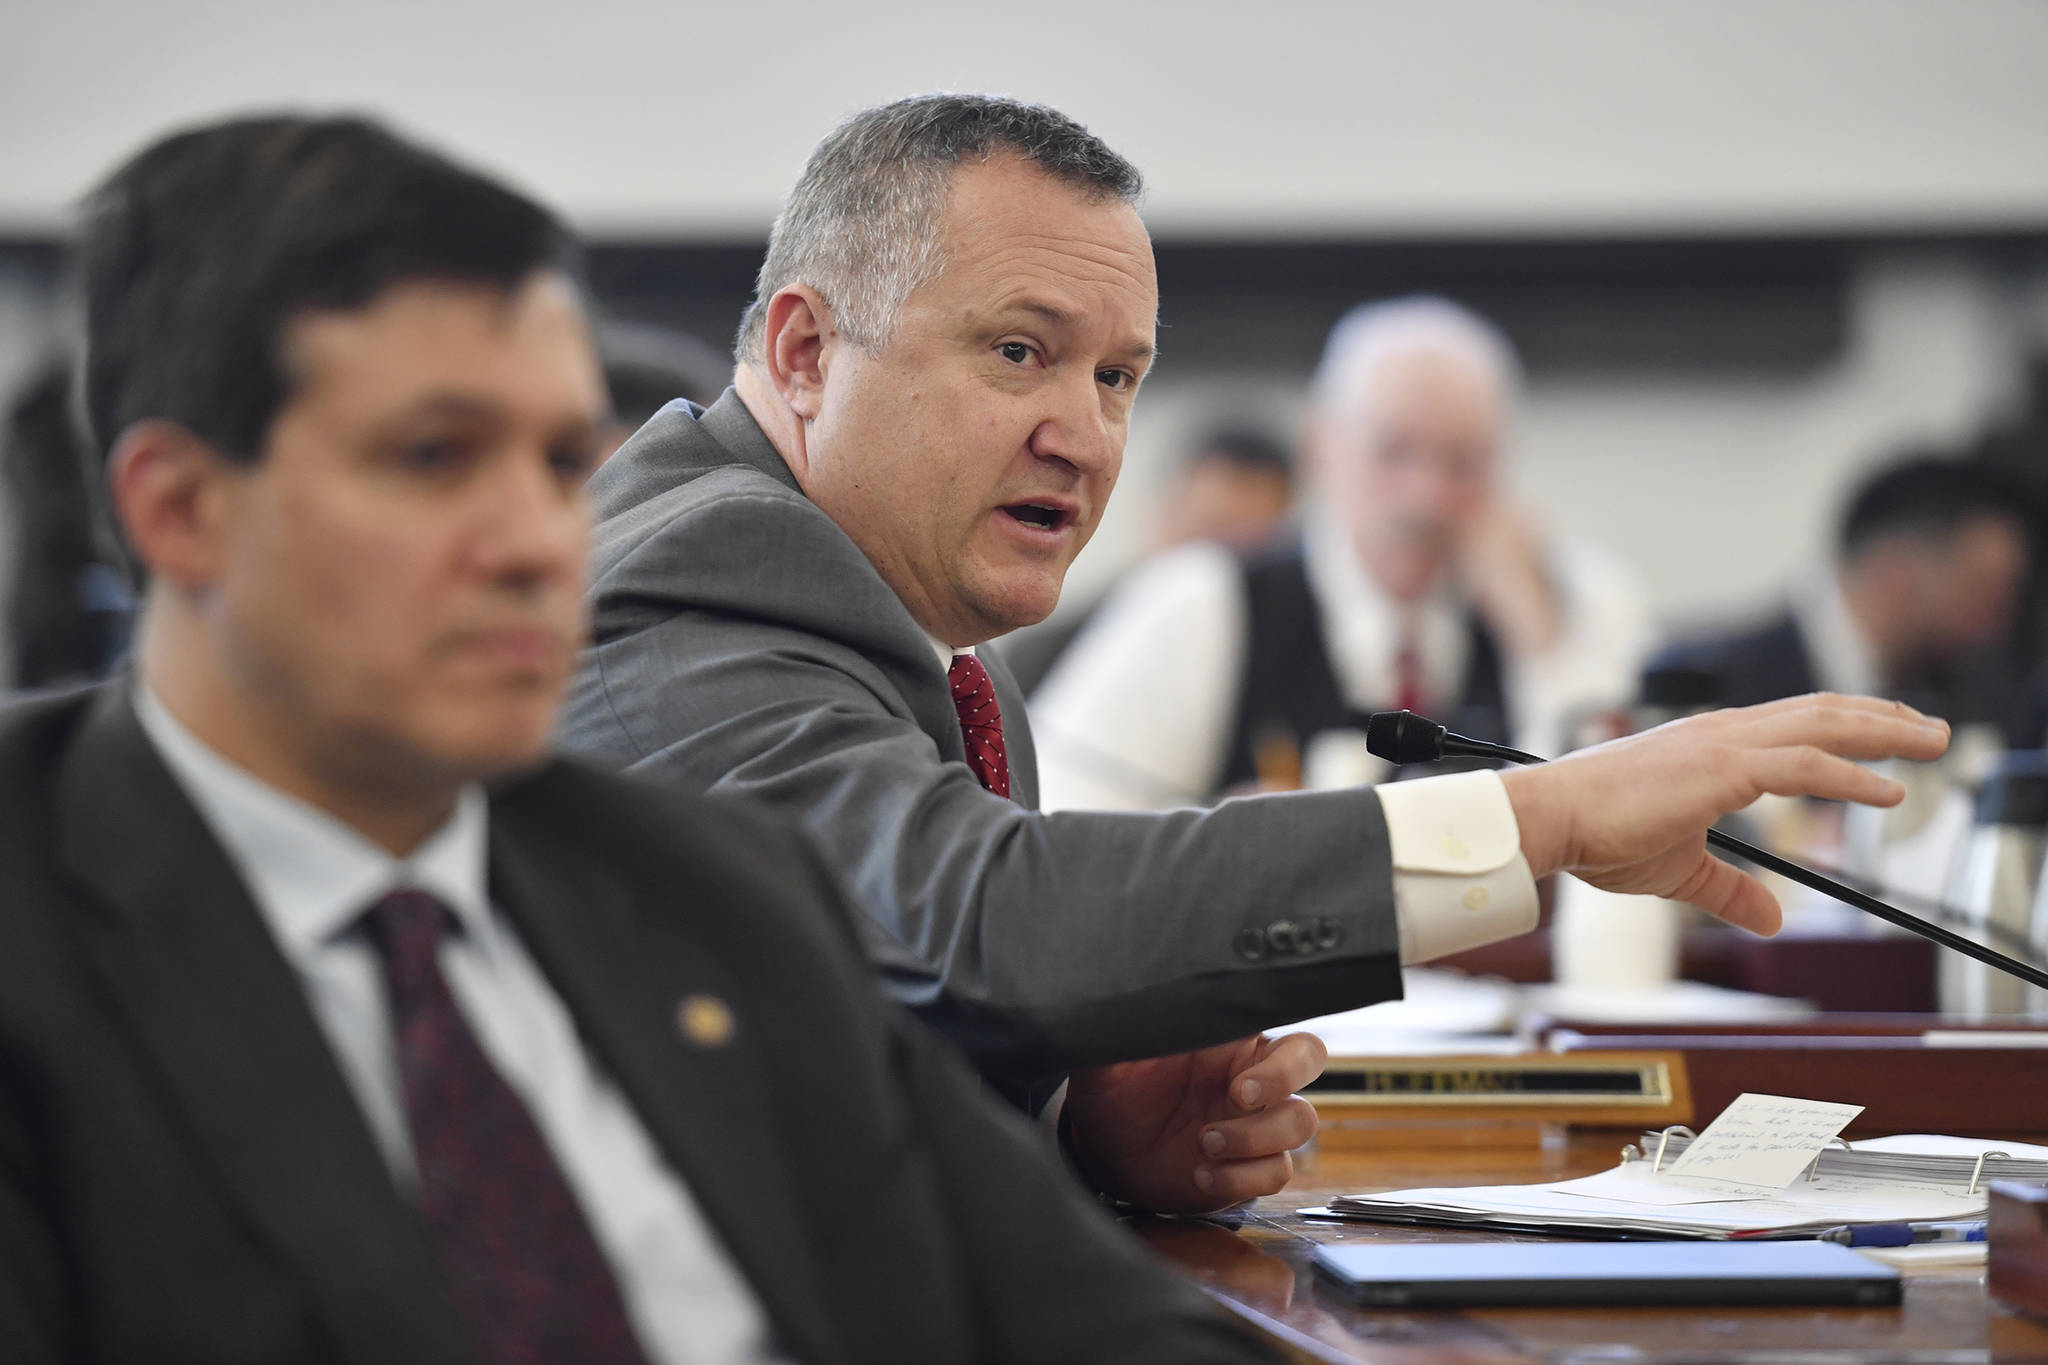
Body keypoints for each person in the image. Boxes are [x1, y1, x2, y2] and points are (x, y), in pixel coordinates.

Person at [0, 113, 1281, 1365]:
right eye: (436, 457)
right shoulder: (37, 923)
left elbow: (1070, 1303)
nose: (532, 542)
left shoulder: (707, 883)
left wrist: (1074, 1142)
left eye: (561, 463)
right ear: (180, 512)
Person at [559, 93, 1949, 1214]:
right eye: (1020, 353)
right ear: (804, 351)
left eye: (1117, 378)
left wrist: (1078, 1132)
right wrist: (1550, 814)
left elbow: (868, 1013)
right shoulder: (711, 568)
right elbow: (984, 920)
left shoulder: (920, 635)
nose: (1088, 436)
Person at [1033, 296, 1653, 809]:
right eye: (1395, 452)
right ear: (1322, 445)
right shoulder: (1203, 600)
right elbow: (1059, 825)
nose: (1428, 496)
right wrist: (1214, 844)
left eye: (1462, 462)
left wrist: (1540, 640)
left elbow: (1632, 818)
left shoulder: (1578, 597)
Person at [1654, 452, 2033, 734]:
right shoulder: (1705, 695)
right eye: (1983, 590)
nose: (2001, 619)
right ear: (1893, 575)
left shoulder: (1983, 697)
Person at [1000, 423, 1294, 696]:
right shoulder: (1054, 652)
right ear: (1166, 510)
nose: (1208, 577)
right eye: (1207, 535)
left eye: (1243, 553)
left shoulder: (1284, 676)